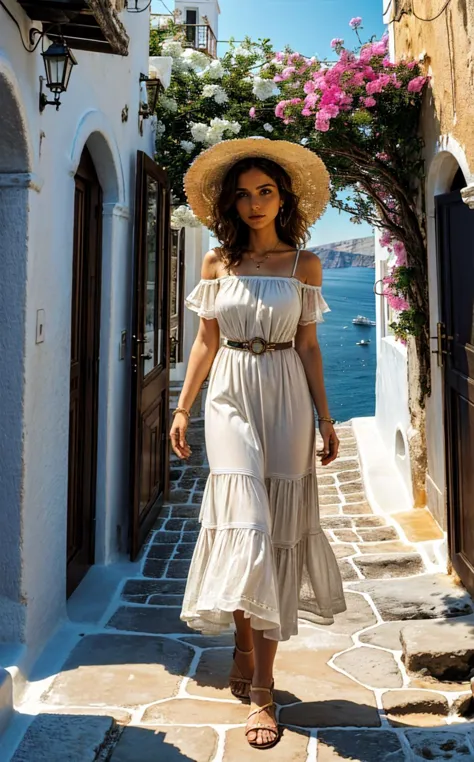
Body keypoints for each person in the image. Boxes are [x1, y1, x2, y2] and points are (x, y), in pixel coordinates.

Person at [169, 137, 346, 750]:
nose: (253, 204)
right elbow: (204, 343)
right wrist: (183, 405)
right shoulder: (218, 263)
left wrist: (326, 420)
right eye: (242, 195)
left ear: (283, 198)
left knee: (276, 532)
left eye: (264, 192)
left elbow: (309, 347)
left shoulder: (305, 267)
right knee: (245, 524)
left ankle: (259, 671)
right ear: (230, 204)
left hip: (288, 396)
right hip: (229, 397)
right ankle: (253, 666)